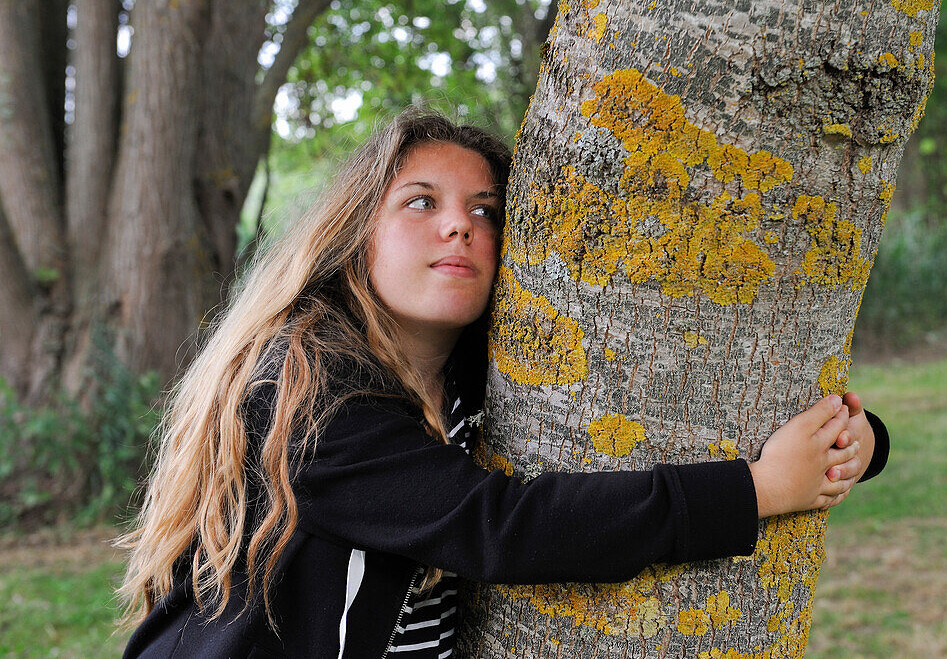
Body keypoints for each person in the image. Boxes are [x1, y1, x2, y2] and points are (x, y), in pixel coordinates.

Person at [117, 108, 888, 658]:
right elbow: (499, 527)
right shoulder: (304, 387)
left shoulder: (479, 373)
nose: (461, 225)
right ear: (355, 234)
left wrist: (853, 439)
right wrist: (754, 490)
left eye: (486, 211)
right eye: (422, 202)